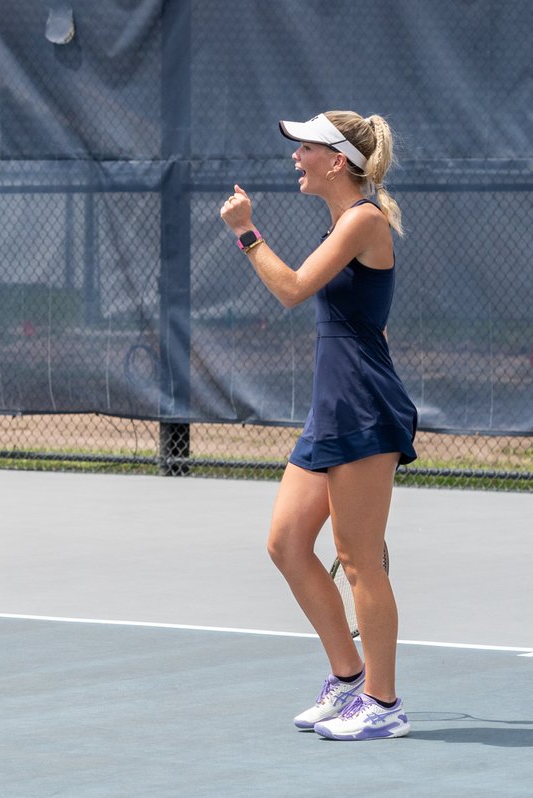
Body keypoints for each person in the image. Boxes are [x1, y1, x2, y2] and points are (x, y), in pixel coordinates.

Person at [219, 111, 417, 741]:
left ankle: (384, 706)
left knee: (360, 563)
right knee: (285, 543)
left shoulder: (364, 218)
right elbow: (366, 318)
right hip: (332, 408)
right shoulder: (345, 222)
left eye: (304, 149)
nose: (294, 158)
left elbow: (292, 288)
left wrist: (246, 233)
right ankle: (349, 678)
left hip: (361, 409)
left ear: (336, 160)